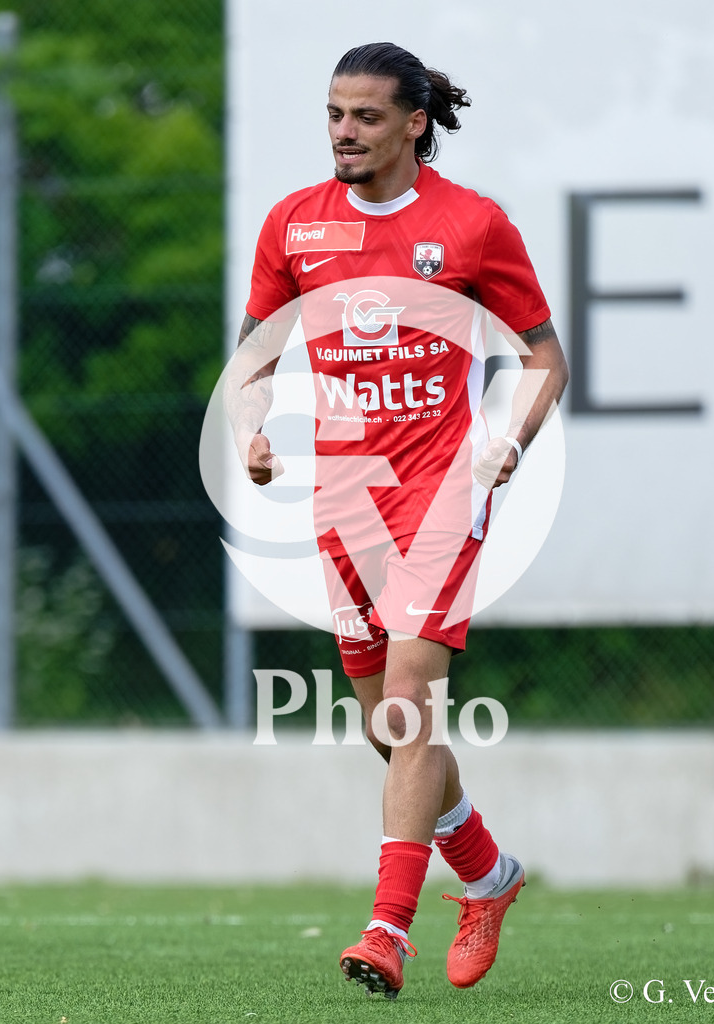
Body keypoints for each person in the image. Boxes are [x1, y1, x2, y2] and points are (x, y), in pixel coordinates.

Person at [226, 42, 569, 1000]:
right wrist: (252, 431)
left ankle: (387, 930)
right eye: (334, 114)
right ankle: (488, 875)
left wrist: (507, 443)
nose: (344, 131)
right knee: (387, 726)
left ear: (414, 123)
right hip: (343, 500)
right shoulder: (294, 225)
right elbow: (253, 356)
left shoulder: (469, 225)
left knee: (413, 704)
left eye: (366, 116)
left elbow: (544, 357)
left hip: (443, 490)